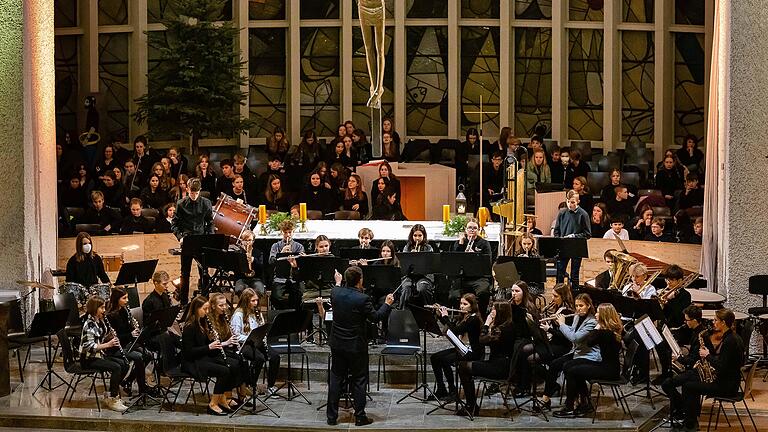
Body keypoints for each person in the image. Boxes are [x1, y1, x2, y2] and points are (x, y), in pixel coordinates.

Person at [325, 266, 395, 426]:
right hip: (355, 345)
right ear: (360, 280)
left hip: (337, 343)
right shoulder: (362, 298)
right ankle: (360, 416)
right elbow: (376, 317)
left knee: (336, 378)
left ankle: (331, 417)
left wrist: (338, 282)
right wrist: (387, 304)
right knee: (359, 380)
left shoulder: (335, 292)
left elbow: (337, 288)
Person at [669, 309, 744, 432]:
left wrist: (707, 355)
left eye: (716, 320)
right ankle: (691, 420)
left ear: (723, 323)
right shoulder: (732, 337)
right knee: (691, 382)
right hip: (730, 381)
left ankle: (690, 425)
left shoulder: (730, 341)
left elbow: (722, 367)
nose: (713, 322)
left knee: (688, 386)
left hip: (726, 386)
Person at [553, 303, 623, 418]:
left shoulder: (604, 333)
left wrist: (597, 327)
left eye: (598, 313)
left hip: (608, 370)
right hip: (608, 366)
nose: (595, 314)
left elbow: (590, 342)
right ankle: (584, 403)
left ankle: (570, 407)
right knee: (569, 366)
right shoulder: (611, 330)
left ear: (603, 316)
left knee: (572, 371)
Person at [181, 295, 243, 416]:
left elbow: (205, 343)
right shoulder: (190, 326)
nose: (207, 312)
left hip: (203, 356)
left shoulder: (203, 322)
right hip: (193, 362)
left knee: (231, 365)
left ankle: (222, 398)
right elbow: (188, 353)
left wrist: (216, 344)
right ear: (196, 309)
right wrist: (209, 347)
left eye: (208, 309)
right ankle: (213, 404)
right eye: (205, 309)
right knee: (224, 371)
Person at [456, 302, 516, 417]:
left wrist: (487, 324)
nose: (491, 312)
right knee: (465, 365)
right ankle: (471, 404)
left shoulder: (501, 329)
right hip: (501, 363)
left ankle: (471, 405)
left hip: (499, 368)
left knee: (463, 366)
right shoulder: (508, 325)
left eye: (493, 309)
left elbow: (482, 340)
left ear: (500, 312)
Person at [540, 293, 597, 408]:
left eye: (581, 306)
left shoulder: (592, 322)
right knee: (554, 364)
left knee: (568, 367)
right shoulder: (576, 317)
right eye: (576, 306)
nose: (578, 309)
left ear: (589, 306)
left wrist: (562, 324)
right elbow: (572, 330)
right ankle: (546, 398)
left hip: (587, 355)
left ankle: (576, 400)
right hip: (577, 352)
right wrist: (556, 326)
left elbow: (574, 338)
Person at [79, 296, 132, 412]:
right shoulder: (89, 324)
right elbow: (89, 346)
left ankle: (111, 393)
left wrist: (110, 337)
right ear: (94, 309)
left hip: (98, 355)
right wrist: (109, 344)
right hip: (88, 359)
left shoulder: (99, 321)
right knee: (116, 367)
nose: (104, 310)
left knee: (124, 364)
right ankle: (113, 398)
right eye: (101, 308)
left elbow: (100, 340)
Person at [429, 294, 484, 401]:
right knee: (434, 358)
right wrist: (440, 315)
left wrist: (445, 316)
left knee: (445, 360)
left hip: (472, 352)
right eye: (461, 303)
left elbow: (455, 331)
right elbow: (450, 327)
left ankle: (452, 390)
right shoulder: (464, 317)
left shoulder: (474, 319)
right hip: (463, 348)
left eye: (465, 304)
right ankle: (441, 389)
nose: (462, 306)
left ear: (472, 306)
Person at [230, 288, 280, 396]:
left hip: (256, 342)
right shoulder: (238, 315)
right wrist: (250, 338)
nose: (256, 303)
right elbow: (236, 336)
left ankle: (271, 385)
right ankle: (251, 384)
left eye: (256, 300)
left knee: (275, 356)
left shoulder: (257, 313)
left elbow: (260, 329)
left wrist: (262, 334)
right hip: (244, 345)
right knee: (259, 358)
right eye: (253, 301)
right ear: (245, 301)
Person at [172, 178, 214, 304]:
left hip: (201, 240)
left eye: (196, 193)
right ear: (187, 190)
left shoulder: (206, 203)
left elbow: (210, 222)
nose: (194, 196)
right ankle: (183, 302)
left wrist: (210, 237)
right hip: (188, 239)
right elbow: (174, 224)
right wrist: (180, 237)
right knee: (185, 272)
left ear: (200, 191)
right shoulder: (180, 204)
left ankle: (205, 300)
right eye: (191, 193)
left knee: (204, 271)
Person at [105, 287, 153, 397]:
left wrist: (133, 329)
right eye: (124, 298)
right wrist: (130, 335)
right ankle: (142, 389)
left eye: (127, 297)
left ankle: (128, 381)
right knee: (138, 357)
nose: (127, 300)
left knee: (147, 355)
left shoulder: (124, 310)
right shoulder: (110, 316)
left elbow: (126, 329)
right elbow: (115, 337)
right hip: (115, 348)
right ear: (116, 299)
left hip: (126, 343)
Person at [660, 305, 706, 419]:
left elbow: (694, 359)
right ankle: (682, 407)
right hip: (693, 368)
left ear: (695, 320)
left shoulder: (700, 335)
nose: (685, 322)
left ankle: (681, 407)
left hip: (696, 372)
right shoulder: (696, 331)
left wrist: (678, 358)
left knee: (666, 384)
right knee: (669, 381)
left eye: (687, 320)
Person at [449, 218, 493, 314]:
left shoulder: (484, 243)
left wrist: (475, 256)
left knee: (483, 293)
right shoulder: (459, 243)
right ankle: (460, 318)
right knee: (453, 296)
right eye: (469, 228)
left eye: (474, 228)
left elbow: (487, 264)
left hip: (479, 277)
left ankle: (481, 318)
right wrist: (461, 245)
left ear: (478, 230)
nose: (472, 230)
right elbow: (453, 262)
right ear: (465, 230)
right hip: (462, 277)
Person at [554, 190, 591, 289]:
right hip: (563, 247)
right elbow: (556, 230)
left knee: (574, 275)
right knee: (560, 273)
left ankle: (574, 295)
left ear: (578, 201)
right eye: (569, 202)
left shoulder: (583, 214)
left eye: (573, 202)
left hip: (576, 247)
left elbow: (587, 234)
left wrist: (574, 236)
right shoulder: (562, 213)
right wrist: (559, 241)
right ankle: (559, 295)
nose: (570, 204)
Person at [268, 220, 305, 310]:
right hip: (280, 278)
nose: (288, 235)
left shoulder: (299, 246)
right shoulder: (275, 246)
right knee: (276, 297)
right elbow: (271, 261)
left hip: (295, 278)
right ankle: (283, 313)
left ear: (293, 232)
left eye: (290, 232)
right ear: (281, 232)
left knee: (299, 294)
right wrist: (281, 252)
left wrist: (301, 259)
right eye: (285, 232)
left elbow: (303, 264)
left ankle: (293, 313)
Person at [399, 224, 435, 308]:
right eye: (415, 235)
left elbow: (429, 267)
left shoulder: (428, 248)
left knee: (422, 289)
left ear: (424, 236)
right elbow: (404, 267)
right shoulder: (407, 248)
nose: (417, 238)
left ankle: (427, 311)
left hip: (424, 276)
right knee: (406, 288)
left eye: (420, 235)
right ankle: (403, 311)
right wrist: (410, 257)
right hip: (409, 276)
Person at [233, 229, 265, 296]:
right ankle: (243, 305)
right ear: (241, 241)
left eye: (249, 240)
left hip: (256, 278)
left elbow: (262, 268)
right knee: (240, 289)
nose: (247, 242)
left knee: (259, 290)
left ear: (253, 241)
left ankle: (255, 305)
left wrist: (254, 260)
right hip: (241, 278)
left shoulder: (258, 252)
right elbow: (235, 269)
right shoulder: (238, 253)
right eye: (245, 240)